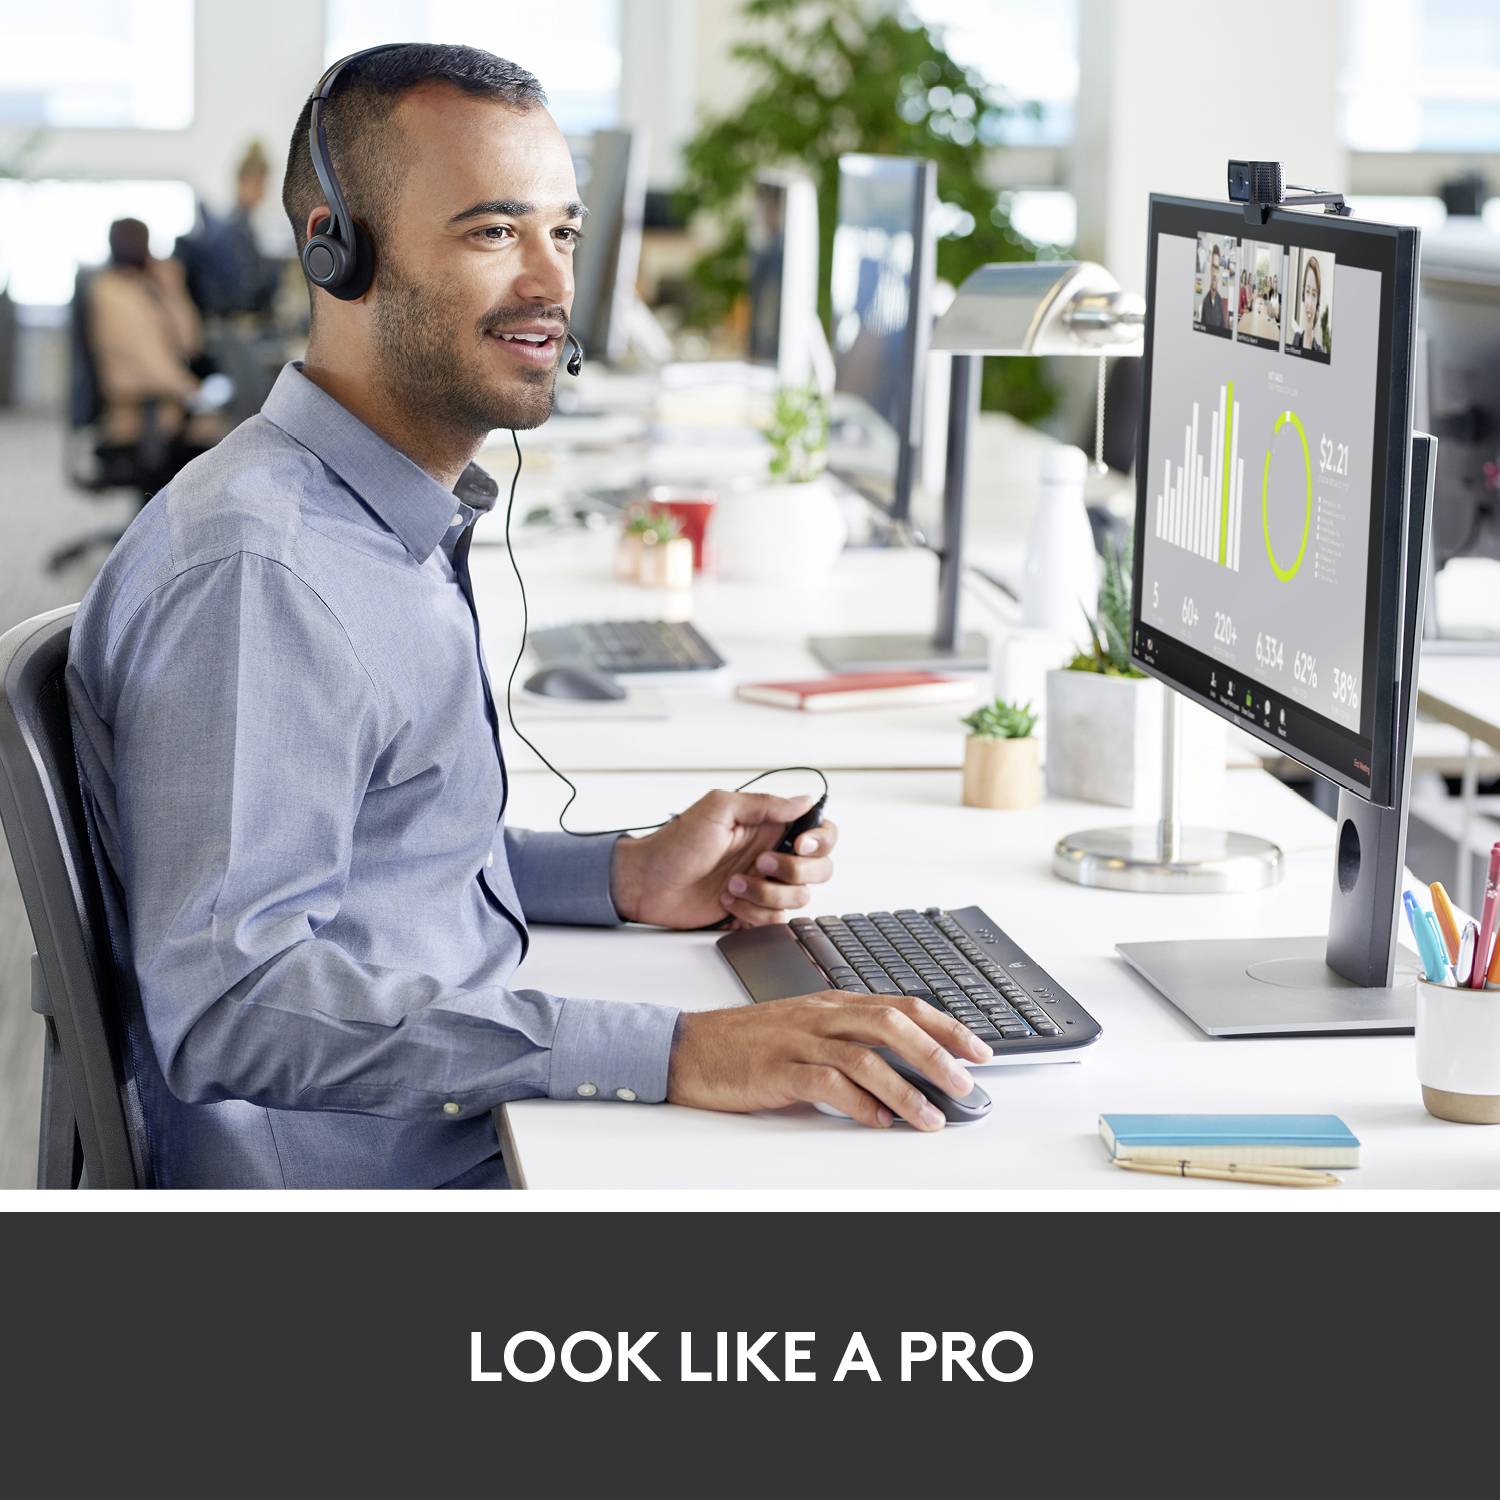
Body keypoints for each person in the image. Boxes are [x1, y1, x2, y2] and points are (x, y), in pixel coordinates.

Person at [66, 44, 989, 1189]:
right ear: (334, 252)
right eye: (493, 232)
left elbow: (370, 862)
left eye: (563, 230)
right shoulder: (265, 575)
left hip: (445, 1130)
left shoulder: (373, 522)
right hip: (375, 1184)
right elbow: (233, 1005)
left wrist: (623, 875)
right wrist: (673, 1051)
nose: (551, 285)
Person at [87, 217, 227, 456]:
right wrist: (194, 392)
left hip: (161, 403)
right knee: (233, 436)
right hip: (145, 411)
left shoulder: (141, 289)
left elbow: (190, 344)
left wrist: (174, 291)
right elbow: (155, 367)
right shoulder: (116, 295)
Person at [1290, 255, 1325, 355]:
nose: (1309, 302)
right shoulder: (1296, 339)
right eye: (1307, 291)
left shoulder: (1320, 353)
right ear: (1303, 295)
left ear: (1318, 301)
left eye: (1314, 294)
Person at [1198, 241, 1227, 329]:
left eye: (1217, 269)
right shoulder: (1203, 304)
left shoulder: (1220, 301)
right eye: (1213, 267)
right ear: (1210, 269)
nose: (1215, 273)